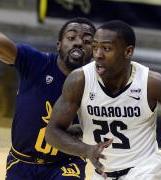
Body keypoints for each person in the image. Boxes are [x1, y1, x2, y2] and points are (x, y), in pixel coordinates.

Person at [45, 20, 161, 180]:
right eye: (95, 47)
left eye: (106, 48)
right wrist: (86, 150)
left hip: (145, 170)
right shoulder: (79, 80)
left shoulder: (152, 83)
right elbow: (52, 132)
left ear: (128, 51)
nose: (98, 55)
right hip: (102, 174)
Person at [0, 17, 96, 179]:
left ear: (94, 50)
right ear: (59, 44)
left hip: (66, 163)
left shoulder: (98, 81)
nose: (79, 43)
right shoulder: (36, 62)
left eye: (87, 41)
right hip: (23, 161)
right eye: (71, 38)